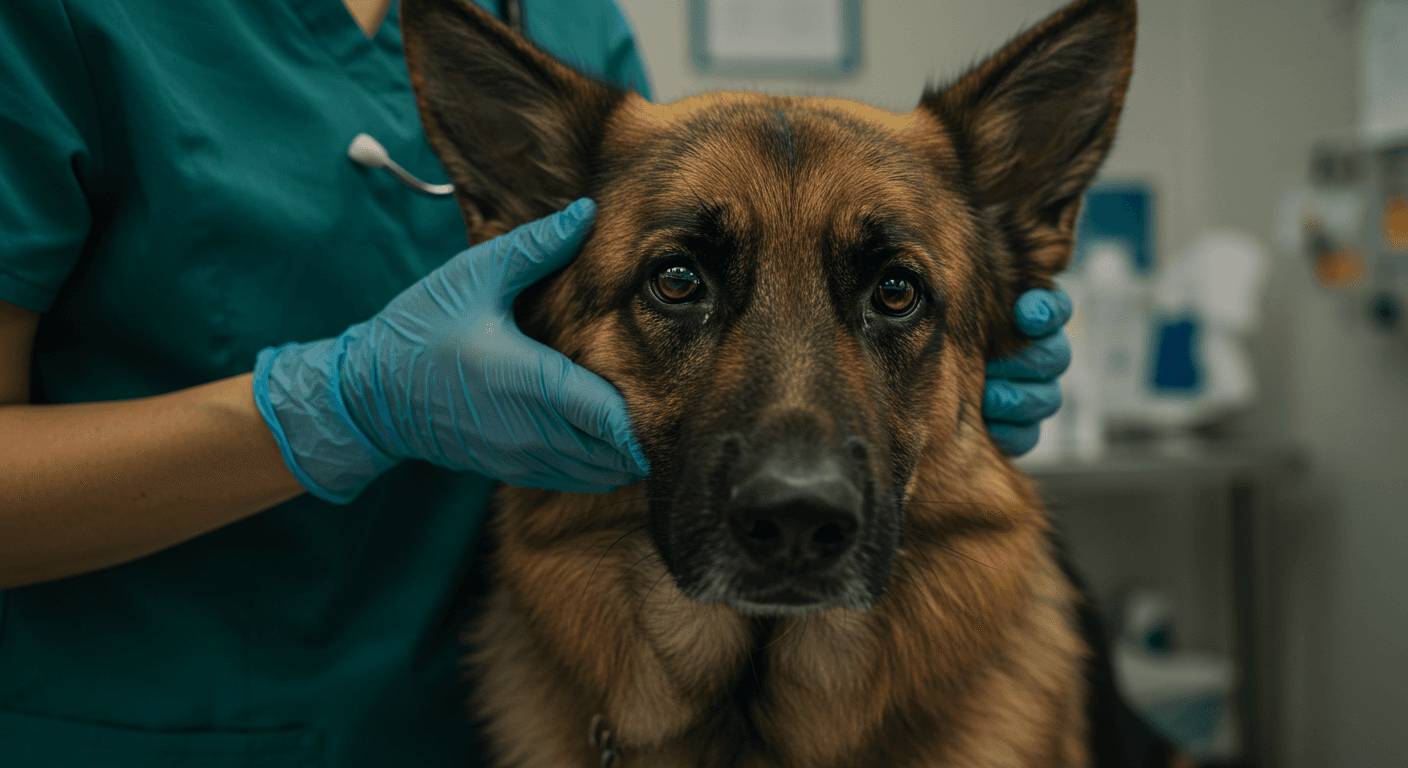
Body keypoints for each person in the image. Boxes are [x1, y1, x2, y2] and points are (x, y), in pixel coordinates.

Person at [0, 0, 1071, 764]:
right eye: (685, 282)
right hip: (159, 725)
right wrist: (342, 403)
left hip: (517, 710)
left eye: (892, 295)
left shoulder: (564, 18)